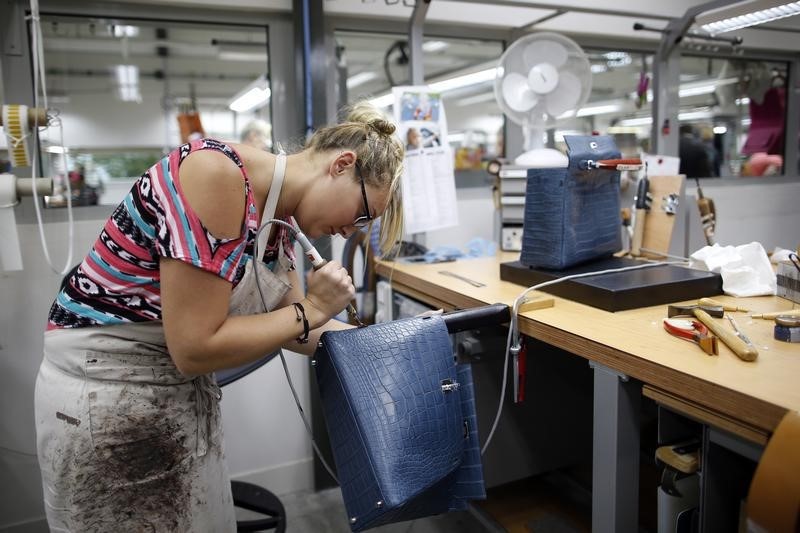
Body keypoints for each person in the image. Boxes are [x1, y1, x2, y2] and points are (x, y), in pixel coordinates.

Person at [35, 102, 404, 531]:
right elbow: (195, 347)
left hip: (169, 392)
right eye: (362, 215)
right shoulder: (217, 174)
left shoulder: (280, 228)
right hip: (109, 391)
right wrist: (315, 308)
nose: (349, 231)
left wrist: (390, 349)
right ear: (342, 165)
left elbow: (299, 329)